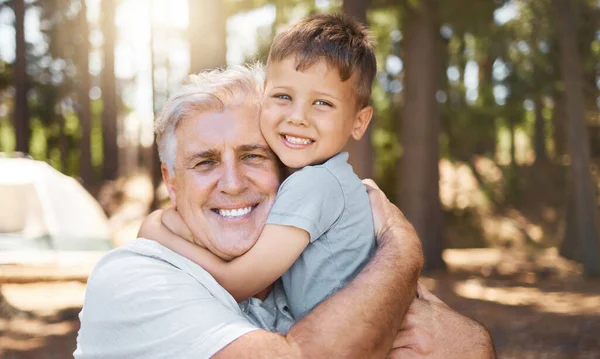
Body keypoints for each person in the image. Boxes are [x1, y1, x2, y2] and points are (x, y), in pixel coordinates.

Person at [74, 65, 494, 358]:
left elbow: (470, 346)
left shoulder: (302, 262)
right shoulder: (132, 277)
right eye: (204, 162)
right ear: (171, 181)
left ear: (284, 168)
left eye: (253, 156)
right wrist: (403, 250)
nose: (233, 182)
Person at [154, 13, 377, 320]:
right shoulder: (323, 180)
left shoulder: (315, 185)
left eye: (322, 103)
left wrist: (159, 233)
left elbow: (236, 282)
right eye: (283, 96)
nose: (298, 117)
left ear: (359, 121)